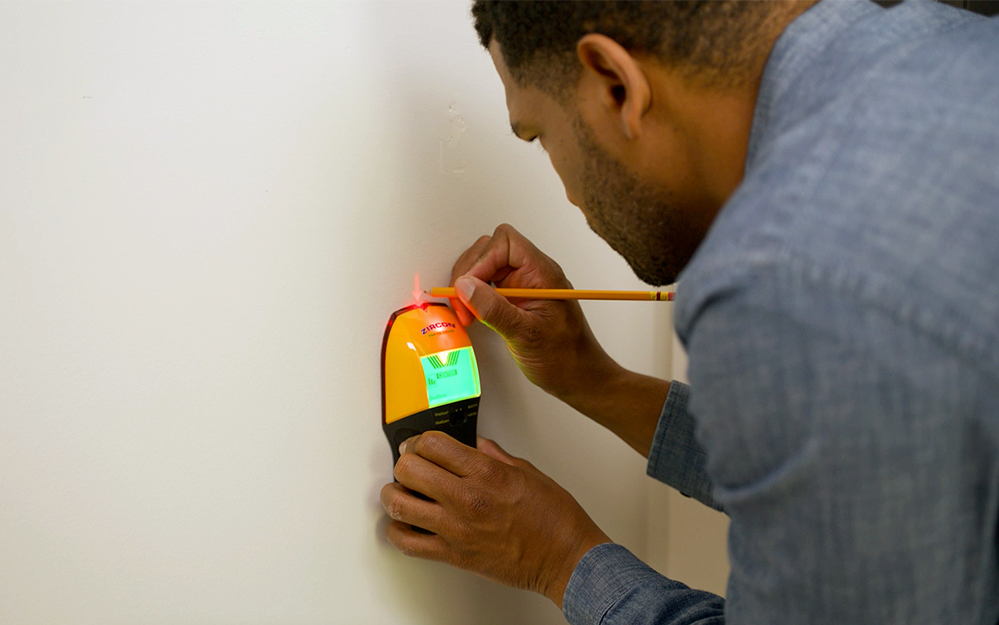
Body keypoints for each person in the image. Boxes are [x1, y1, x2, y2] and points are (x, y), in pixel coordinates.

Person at [379, 1, 999, 623]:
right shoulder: (956, 47)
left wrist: (557, 557)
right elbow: (862, 474)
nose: (566, 193)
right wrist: (592, 379)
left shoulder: (789, 277)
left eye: (539, 135)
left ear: (617, 85)